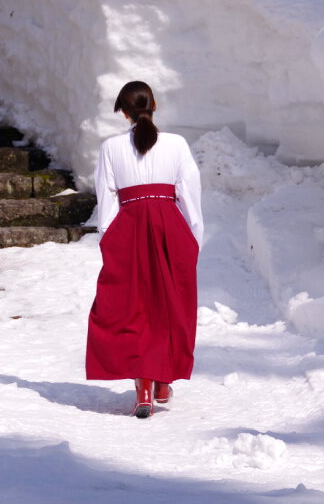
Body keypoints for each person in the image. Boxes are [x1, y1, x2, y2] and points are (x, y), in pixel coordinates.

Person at [86, 80, 203, 419]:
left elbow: (105, 199)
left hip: (129, 227)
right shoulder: (177, 144)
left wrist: (108, 239)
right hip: (171, 226)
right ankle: (163, 379)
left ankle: (144, 388)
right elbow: (190, 196)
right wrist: (194, 237)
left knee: (131, 308)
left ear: (123, 112)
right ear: (156, 105)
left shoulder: (110, 148)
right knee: (171, 304)